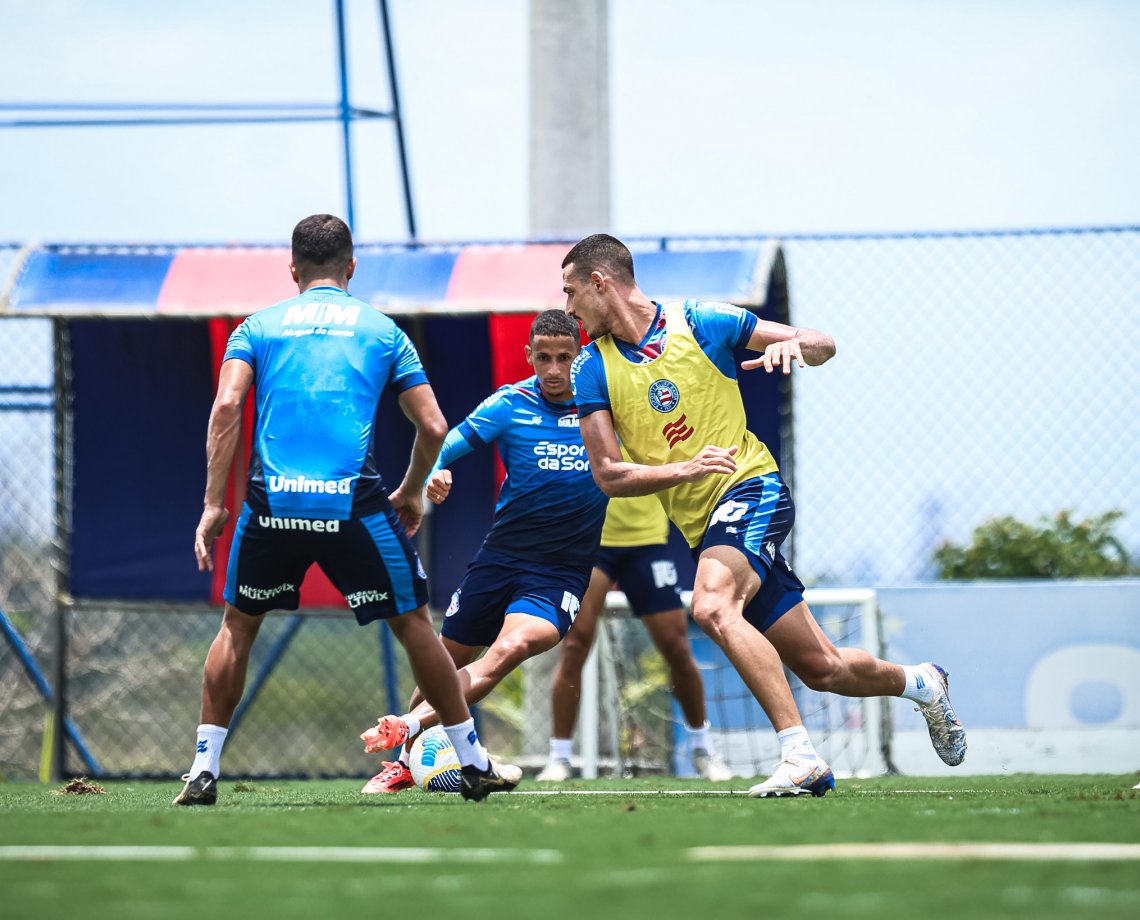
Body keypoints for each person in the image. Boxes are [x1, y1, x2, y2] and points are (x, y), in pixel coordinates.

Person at [561, 233, 966, 798]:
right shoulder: (591, 367)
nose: (568, 307)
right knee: (823, 669)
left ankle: (799, 755)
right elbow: (609, 474)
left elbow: (823, 342)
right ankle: (922, 682)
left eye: (571, 292)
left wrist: (795, 345)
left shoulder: (702, 320)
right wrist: (685, 470)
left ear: (600, 283)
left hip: (752, 488)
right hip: (705, 526)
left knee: (711, 605)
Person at [175, 214, 519, 806]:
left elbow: (226, 408)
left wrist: (213, 504)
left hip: (271, 504)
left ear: (292, 270)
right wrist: (412, 491)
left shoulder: (255, 328)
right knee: (413, 625)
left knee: (238, 625)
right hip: (352, 505)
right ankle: (472, 761)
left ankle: (204, 768)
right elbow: (434, 425)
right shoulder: (383, 331)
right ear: (351, 267)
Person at [358, 309, 609, 793]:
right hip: (499, 560)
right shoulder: (509, 404)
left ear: (580, 356)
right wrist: (434, 473)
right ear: (529, 356)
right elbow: (447, 445)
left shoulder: (603, 410)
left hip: (559, 572)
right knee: (442, 663)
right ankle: (407, 764)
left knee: (510, 648)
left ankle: (407, 731)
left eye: (564, 358)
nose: (554, 369)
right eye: (544, 358)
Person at [537, 491, 733, 782]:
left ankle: (703, 751)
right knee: (575, 645)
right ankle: (560, 758)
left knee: (676, 648)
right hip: (591, 542)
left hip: (648, 544)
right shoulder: (582, 441)